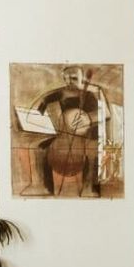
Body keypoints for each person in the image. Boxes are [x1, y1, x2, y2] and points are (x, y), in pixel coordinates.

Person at [36, 66, 107, 197]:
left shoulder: (90, 94)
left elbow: (104, 114)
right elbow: (42, 104)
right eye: (66, 79)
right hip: (65, 134)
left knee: (93, 152)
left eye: (74, 78)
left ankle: (90, 187)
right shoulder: (60, 93)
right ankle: (47, 188)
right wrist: (40, 117)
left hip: (88, 134)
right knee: (42, 149)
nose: (69, 82)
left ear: (81, 78)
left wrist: (88, 119)